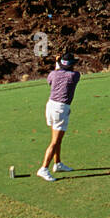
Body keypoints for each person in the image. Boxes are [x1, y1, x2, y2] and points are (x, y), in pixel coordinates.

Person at [37, 53, 81, 182]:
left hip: (50, 106)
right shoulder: (74, 76)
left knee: (57, 139)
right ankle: (44, 168)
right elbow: (66, 70)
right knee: (55, 141)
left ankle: (58, 164)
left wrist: (58, 63)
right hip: (61, 109)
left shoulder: (53, 74)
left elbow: (54, 75)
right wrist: (59, 64)